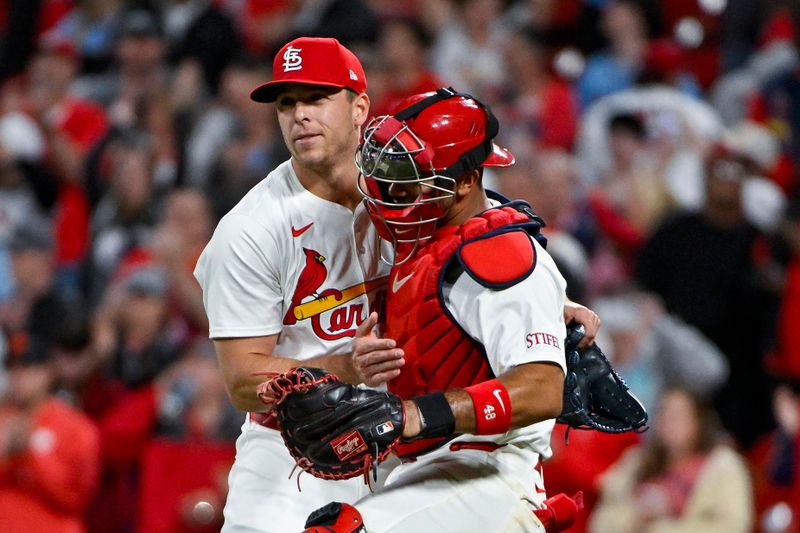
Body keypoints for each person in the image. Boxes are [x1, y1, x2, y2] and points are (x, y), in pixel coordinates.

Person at [194, 38, 600, 533]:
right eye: (287, 103)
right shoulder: (251, 231)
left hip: (411, 447)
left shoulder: (409, 181)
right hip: (299, 448)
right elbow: (241, 380)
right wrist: (339, 369)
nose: (300, 115)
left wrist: (554, 300)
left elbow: (480, 235)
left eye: (316, 98)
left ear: (359, 106)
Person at [297, 87, 582, 532]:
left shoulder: (500, 254)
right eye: (388, 172)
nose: (389, 189)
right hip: (429, 475)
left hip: (486, 474)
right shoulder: (428, 243)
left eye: (410, 176)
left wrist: (415, 414)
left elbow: (543, 389)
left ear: (466, 181)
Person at [588, 387, 753, 533]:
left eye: (679, 415)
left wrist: (660, 527)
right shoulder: (636, 462)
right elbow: (600, 524)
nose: (670, 422)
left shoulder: (723, 466)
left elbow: (733, 527)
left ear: (699, 420)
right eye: (664, 413)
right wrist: (638, 516)